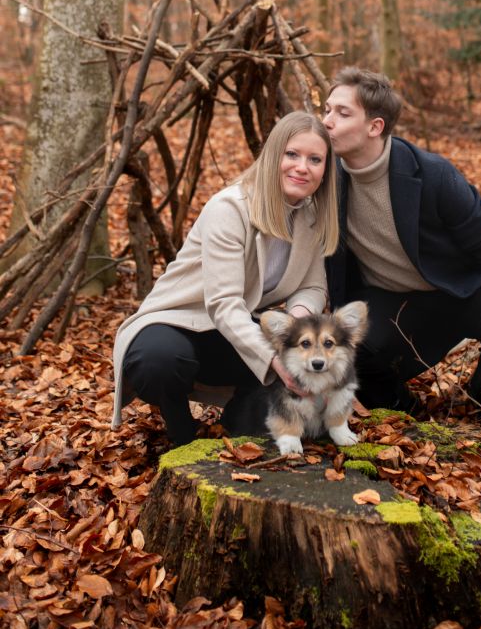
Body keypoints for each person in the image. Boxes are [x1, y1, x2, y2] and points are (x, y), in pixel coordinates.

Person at [322, 67, 481, 424]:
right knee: (347, 353)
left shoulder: (432, 173)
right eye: (327, 109)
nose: (327, 121)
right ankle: (401, 405)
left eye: (342, 113)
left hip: (454, 289)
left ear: (375, 127)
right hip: (389, 298)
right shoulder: (325, 178)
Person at [112, 111, 338, 448]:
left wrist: (296, 325)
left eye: (314, 159)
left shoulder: (311, 217)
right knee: (159, 361)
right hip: (177, 322)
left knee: (286, 415)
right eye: (291, 154)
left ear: (325, 170)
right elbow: (223, 304)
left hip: (230, 330)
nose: (302, 166)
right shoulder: (230, 208)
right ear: (273, 155)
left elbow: (314, 286)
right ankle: (181, 437)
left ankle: (238, 421)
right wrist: (276, 360)